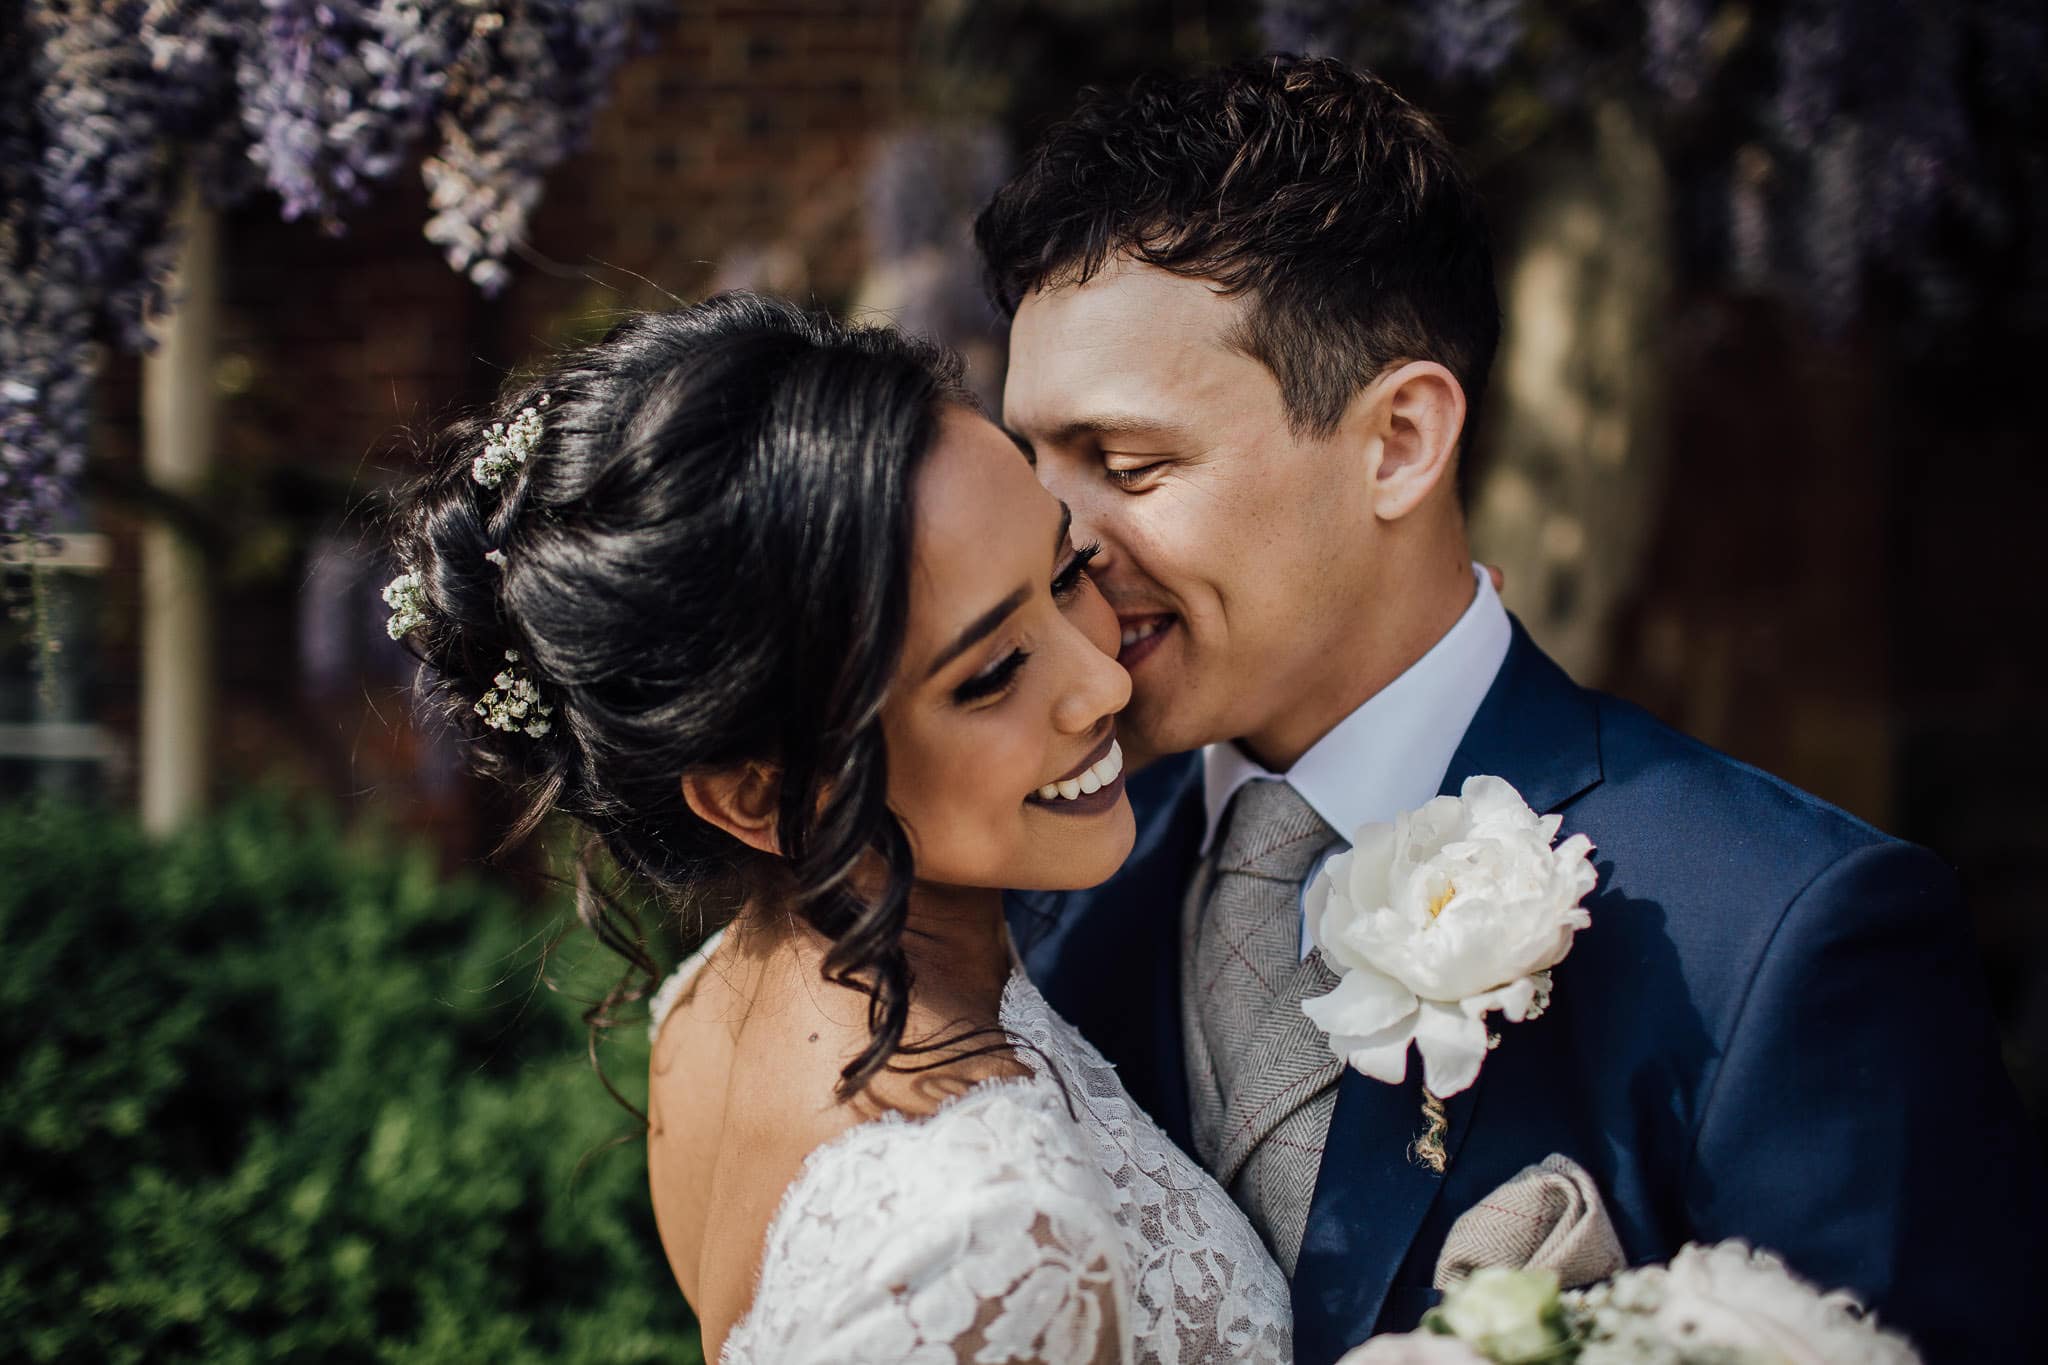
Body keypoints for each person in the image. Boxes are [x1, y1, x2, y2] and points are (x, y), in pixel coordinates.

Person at [978, 54, 2046, 1364]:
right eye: (1032, 464)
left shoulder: (1777, 937)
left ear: (1401, 442)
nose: (1056, 540)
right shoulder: (1039, 900)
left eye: (1130, 464)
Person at [381, 294, 1292, 1363]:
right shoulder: (988, 1240)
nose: (1098, 679)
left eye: (1064, 573)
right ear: (759, 798)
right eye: (991, 673)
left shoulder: (708, 1006)